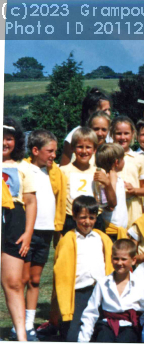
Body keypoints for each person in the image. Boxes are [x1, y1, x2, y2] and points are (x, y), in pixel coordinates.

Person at [21, 130, 65, 340]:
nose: (53, 155)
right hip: (27, 232)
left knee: (35, 280)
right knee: (22, 279)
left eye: (55, 151)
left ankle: (29, 326)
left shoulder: (54, 172)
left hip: (46, 232)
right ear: (35, 150)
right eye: (50, 151)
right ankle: (18, 324)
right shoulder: (25, 169)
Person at [54, 196, 114, 342]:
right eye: (82, 217)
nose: (87, 222)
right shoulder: (68, 239)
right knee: (73, 336)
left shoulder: (102, 238)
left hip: (100, 292)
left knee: (101, 332)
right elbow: (61, 270)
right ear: (74, 216)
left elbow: (110, 262)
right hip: (78, 292)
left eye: (91, 217)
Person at [2, 119, 37, 342]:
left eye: (9, 138)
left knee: (13, 282)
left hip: (13, 221)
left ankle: (21, 336)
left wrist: (28, 233)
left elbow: (31, 202)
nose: (4, 142)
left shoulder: (23, 166)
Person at [78, 239, 144, 342]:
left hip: (129, 327)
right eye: (116, 259)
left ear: (134, 260)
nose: (119, 263)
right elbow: (91, 312)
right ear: (111, 258)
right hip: (106, 326)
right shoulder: (103, 283)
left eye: (124, 259)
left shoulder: (139, 284)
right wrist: (83, 340)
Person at [59, 127, 106, 235]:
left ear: (94, 150)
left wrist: (107, 183)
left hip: (95, 218)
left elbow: (105, 200)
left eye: (88, 147)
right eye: (80, 147)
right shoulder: (63, 171)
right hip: (71, 218)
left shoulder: (99, 171)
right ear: (73, 148)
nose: (84, 151)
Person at [110, 116, 144, 227]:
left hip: (133, 210)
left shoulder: (140, 159)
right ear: (112, 134)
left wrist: (134, 190)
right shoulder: (106, 156)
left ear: (133, 134)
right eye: (118, 133)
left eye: (126, 133)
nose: (122, 137)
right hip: (112, 211)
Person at [60, 88, 111, 165]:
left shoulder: (109, 134)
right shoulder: (74, 135)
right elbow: (63, 168)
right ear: (91, 111)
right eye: (104, 110)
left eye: (108, 110)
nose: (108, 113)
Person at [95, 143, 126, 240]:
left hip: (117, 229)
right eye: (123, 159)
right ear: (117, 162)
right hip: (111, 231)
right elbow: (111, 202)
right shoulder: (111, 176)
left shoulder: (116, 177)